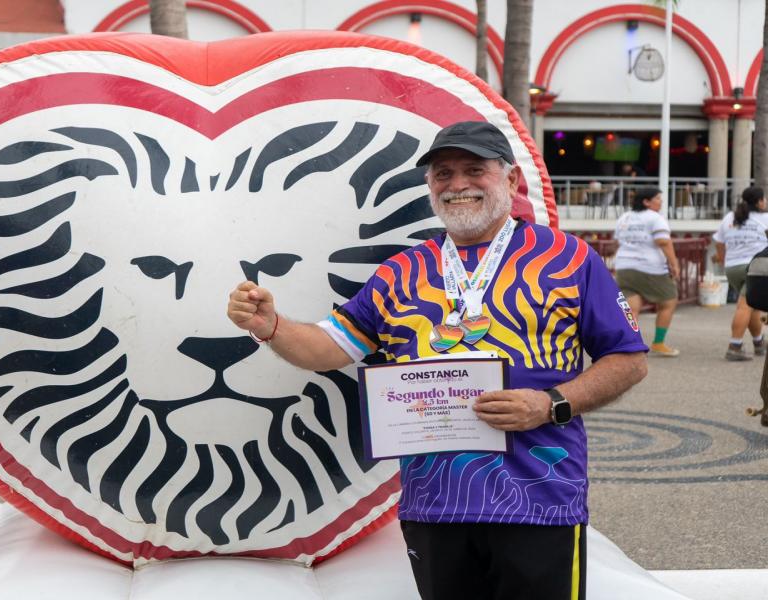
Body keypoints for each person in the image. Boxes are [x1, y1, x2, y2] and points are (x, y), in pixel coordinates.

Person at [227, 121, 648, 600]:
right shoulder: (400, 273)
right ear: (430, 186)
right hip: (435, 507)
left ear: (510, 181)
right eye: (443, 173)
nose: (457, 184)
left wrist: (550, 403)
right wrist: (271, 325)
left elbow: (629, 359)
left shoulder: (568, 259)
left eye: (475, 169)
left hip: (540, 500)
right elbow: (328, 348)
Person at [612, 187, 682, 356]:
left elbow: (616, 242)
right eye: (658, 199)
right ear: (646, 202)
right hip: (649, 267)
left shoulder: (625, 217)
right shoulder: (655, 218)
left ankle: (629, 343)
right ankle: (658, 342)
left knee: (631, 306)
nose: (661, 202)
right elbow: (663, 242)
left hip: (623, 266)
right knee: (669, 301)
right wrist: (674, 264)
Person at [713, 186, 768, 361]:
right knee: (744, 306)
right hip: (755, 269)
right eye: (764, 199)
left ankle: (759, 343)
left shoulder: (730, 217)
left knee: (751, 306)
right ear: (759, 201)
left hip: (732, 268)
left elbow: (719, 242)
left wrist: (723, 260)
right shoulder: (765, 218)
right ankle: (734, 346)